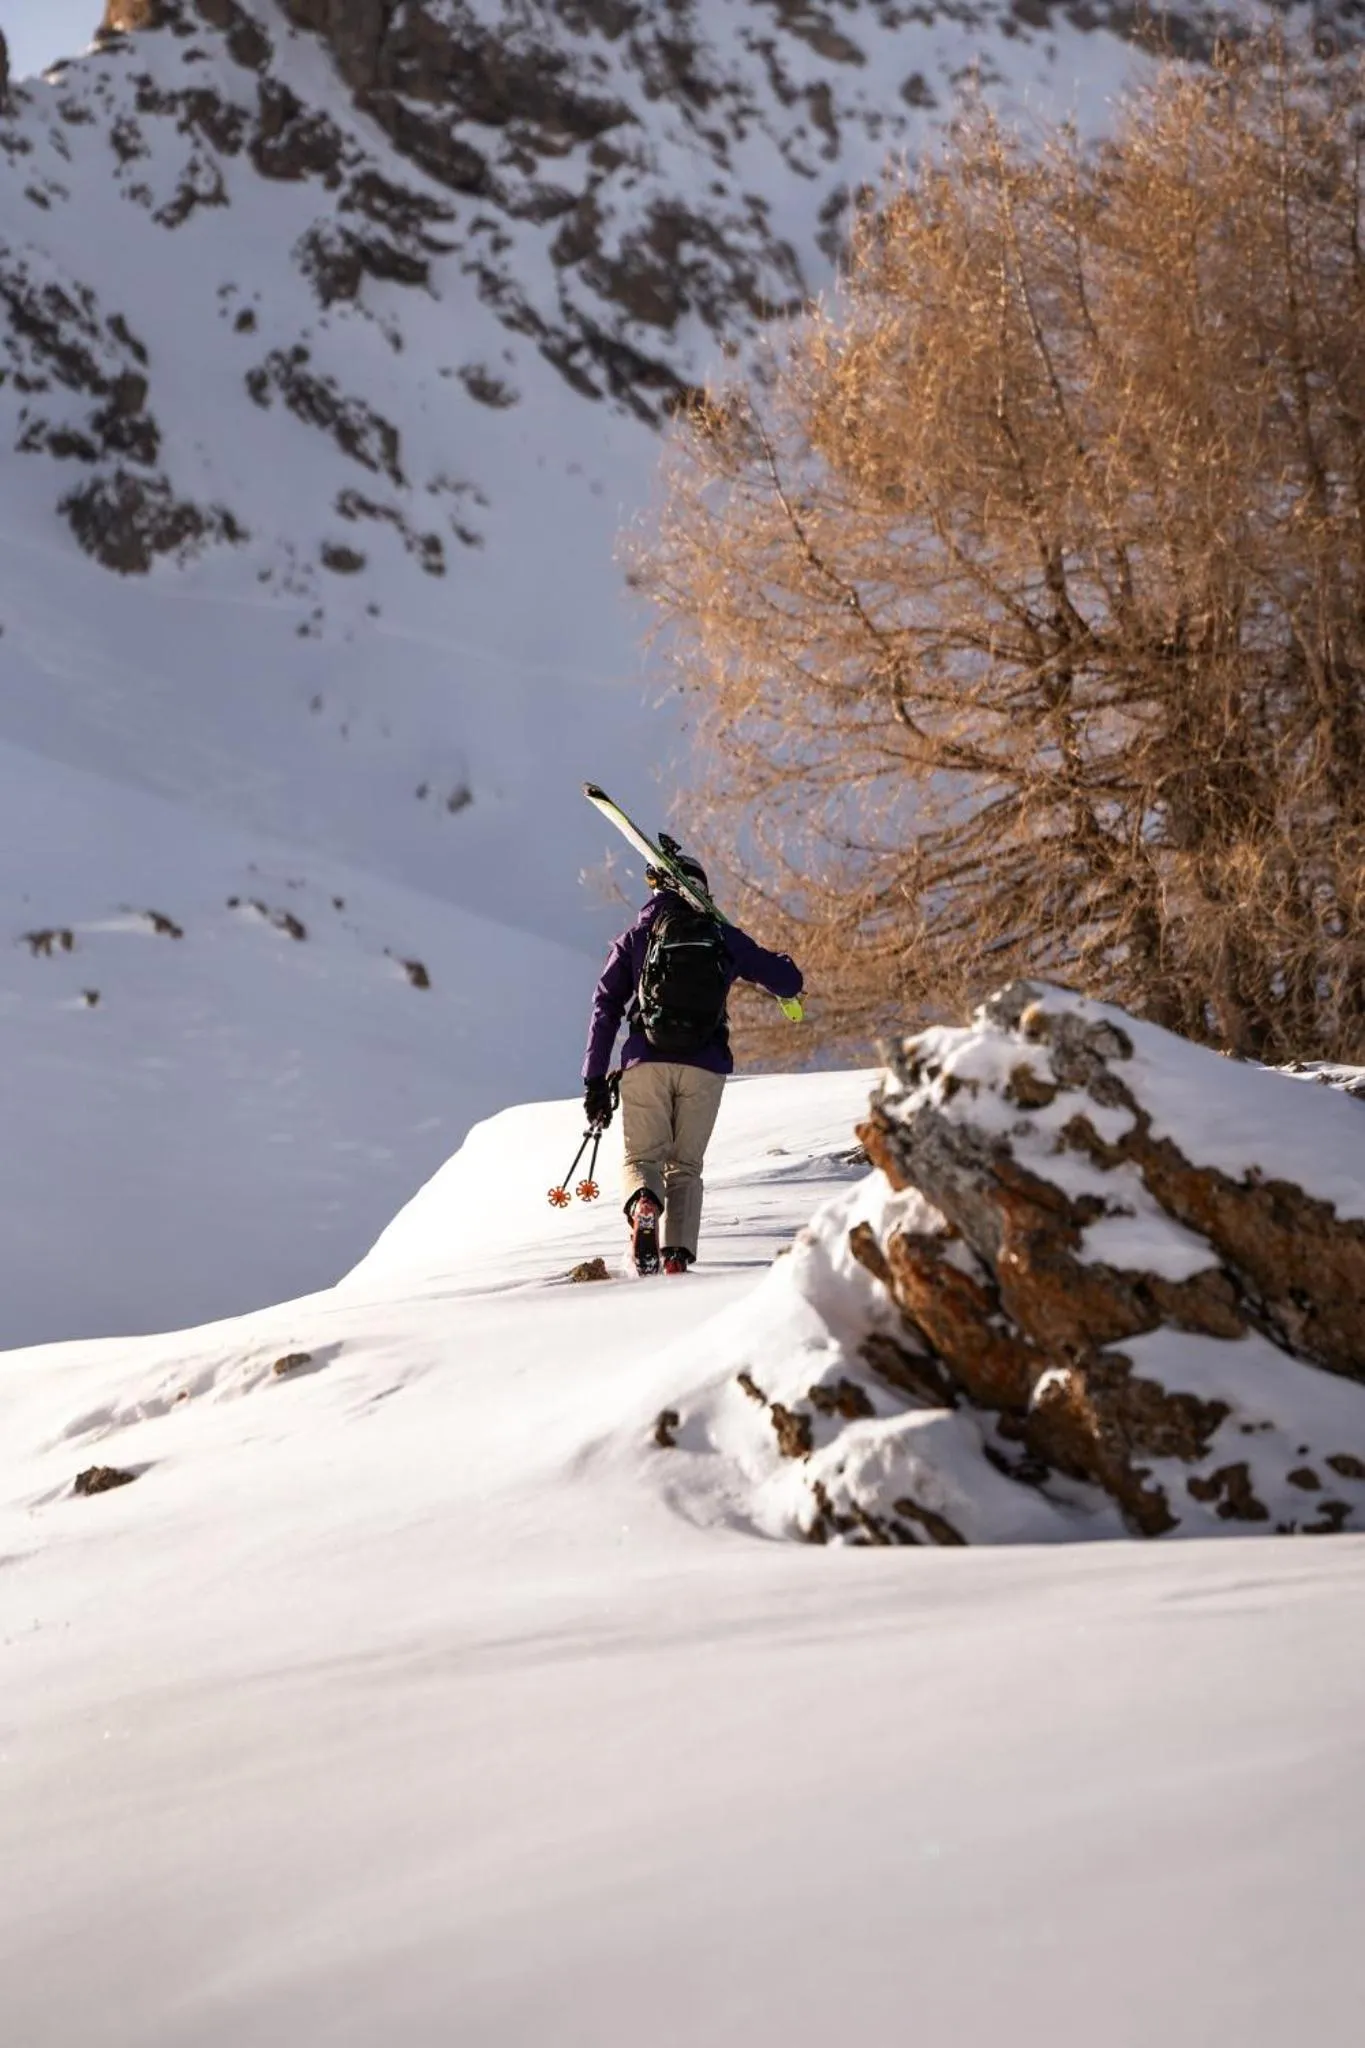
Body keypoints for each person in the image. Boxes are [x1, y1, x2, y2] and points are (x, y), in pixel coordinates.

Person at [581, 851, 803, 1276]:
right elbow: (787, 982)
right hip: (705, 1064)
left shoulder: (637, 935)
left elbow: (605, 1006)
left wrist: (594, 1079)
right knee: (685, 1167)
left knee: (641, 1158)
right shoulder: (721, 935)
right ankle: (676, 1258)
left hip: (646, 1061)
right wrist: (784, 968)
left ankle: (645, 1202)